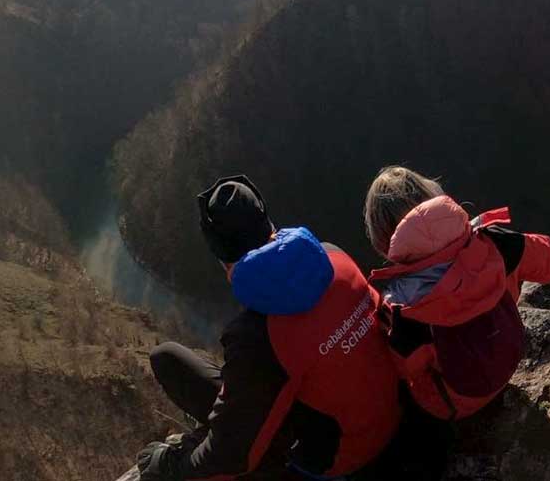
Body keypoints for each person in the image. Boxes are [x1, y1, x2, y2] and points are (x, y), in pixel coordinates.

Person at [137, 175, 402, 481]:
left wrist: (169, 464)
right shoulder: (334, 256)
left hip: (340, 460)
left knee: (169, 360)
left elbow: (232, 457)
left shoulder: (256, 335)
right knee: (169, 359)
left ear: (220, 256)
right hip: (391, 417)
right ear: (269, 225)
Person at [362, 165, 550, 423]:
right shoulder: (494, 241)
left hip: (454, 404)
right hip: (510, 356)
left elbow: (407, 368)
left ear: (382, 240)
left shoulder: (401, 305)